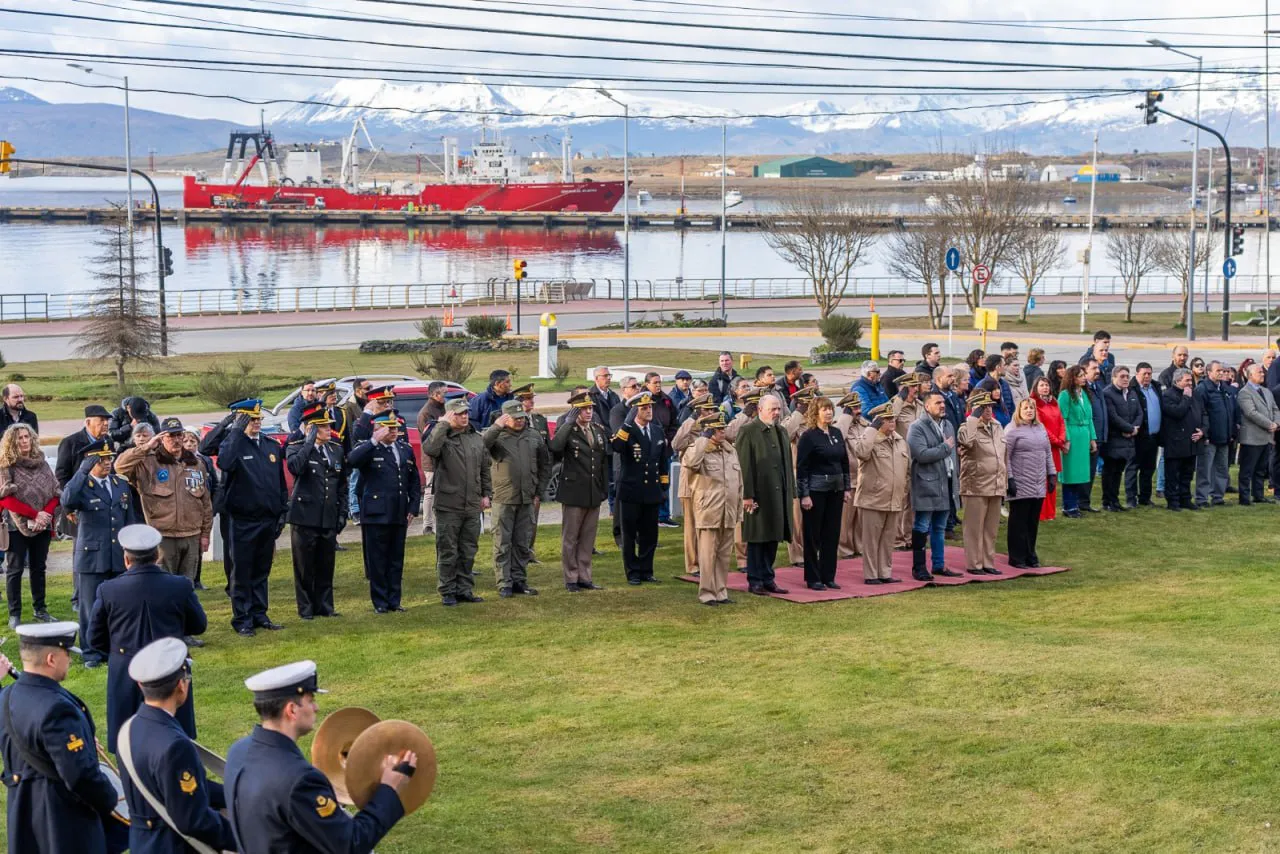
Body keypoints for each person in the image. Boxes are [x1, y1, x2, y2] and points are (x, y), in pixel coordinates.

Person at [224, 661, 415, 853]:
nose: (316, 707)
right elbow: (351, 844)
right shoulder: (300, 780)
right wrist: (389, 789)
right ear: (292, 710)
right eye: (310, 699)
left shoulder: (238, 752)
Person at [0, 622, 120, 854]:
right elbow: (80, 776)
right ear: (51, 659)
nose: (71, 660)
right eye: (67, 653)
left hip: (24, 816)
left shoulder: (6, 698)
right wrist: (110, 798)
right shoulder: (57, 709)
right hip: (62, 823)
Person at [88, 523, 207, 755]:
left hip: (125, 671)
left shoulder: (109, 590)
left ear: (126, 558)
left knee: (128, 743)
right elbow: (199, 625)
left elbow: (95, 638)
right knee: (175, 739)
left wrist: (119, 650)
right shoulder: (179, 586)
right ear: (158, 554)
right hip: (169, 669)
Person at [117, 637, 236, 854]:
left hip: (144, 844)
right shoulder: (175, 746)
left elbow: (178, 788)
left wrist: (236, 794)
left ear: (140, 684)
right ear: (181, 685)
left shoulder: (131, 727)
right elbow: (193, 820)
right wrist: (240, 837)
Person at [60, 440, 136, 669]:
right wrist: (83, 470)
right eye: (101, 459)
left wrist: (131, 550)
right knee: (90, 606)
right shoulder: (82, 485)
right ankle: (91, 651)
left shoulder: (119, 484)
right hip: (92, 555)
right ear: (91, 461)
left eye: (109, 458)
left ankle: (115, 647)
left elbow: (129, 518)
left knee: (118, 605)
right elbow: (67, 500)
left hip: (117, 554)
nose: (107, 463)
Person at [216, 399, 288, 637]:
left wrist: (281, 511)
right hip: (243, 520)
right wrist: (236, 430)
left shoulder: (270, 446)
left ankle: (259, 613)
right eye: (250, 420)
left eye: (258, 419)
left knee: (261, 569)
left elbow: (279, 482)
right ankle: (242, 618)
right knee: (242, 571)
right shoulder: (234, 445)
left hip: (267, 519)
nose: (256, 423)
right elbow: (224, 462)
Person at [114, 417, 214, 584]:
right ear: (161, 438)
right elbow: (120, 466)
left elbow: (205, 502)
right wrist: (146, 447)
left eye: (178, 435)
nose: (176, 440)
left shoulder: (196, 463)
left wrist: (205, 534)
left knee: (186, 586)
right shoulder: (149, 462)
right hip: (162, 537)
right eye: (170, 436)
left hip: (191, 535)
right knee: (161, 585)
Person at [349, 412, 420, 613]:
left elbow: (413, 479)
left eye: (396, 427)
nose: (394, 431)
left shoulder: (404, 449)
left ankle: (394, 600)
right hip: (376, 513)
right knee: (378, 559)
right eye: (389, 428)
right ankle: (380, 601)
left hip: (398, 511)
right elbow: (352, 461)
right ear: (378, 429)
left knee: (396, 559)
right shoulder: (369, 448)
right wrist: (373, 441)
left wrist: (413, 506)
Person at [425, 398, 491, 606]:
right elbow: (430, 449)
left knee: (468, 550)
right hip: (449, 504)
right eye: (459, 413)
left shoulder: (475, 437)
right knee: (448, 550)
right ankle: (447, 590)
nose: (464, 416)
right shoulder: (442, 437)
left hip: (472, 504)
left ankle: (464, 589)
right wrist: (443, 424)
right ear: (449, 415)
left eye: (466, 413)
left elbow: (484, 468)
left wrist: (486, 494)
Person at [285, 403, 347, 620]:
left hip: (327, 515)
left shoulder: (335, 450)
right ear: (311, 428)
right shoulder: (297, 447)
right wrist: (309, 441)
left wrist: (342, 512)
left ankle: (325, 606)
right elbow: (296, 468)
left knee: (326, 564)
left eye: (329, 425)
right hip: (305, 516)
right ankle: (306, 608)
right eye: (322, 426)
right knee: (304, 566)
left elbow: (341, 485)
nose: (329, 429)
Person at [484, 400, 550, 598]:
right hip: (504, 497)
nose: (520, 421)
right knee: (502, 542)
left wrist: (539, 490)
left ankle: (519, 580)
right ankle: (504, 583)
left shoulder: (533, 436)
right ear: (505, 418)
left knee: (522, 542)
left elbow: (545, 464)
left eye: (522, 417)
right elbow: (481, 445)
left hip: (527, 497)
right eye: (515, 418)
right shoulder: (497, 436)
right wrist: (497, 426)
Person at [0, 423, 59, 629]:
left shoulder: (42, 463)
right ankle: (14, 613)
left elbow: (55, 492)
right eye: (19, 438)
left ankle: (40, 609)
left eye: (26, 437)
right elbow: (5, 499)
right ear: (11, 442)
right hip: (16, 525)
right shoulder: (6, 465)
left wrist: (46, 514)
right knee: (15, 569)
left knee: (39, 567)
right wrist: (34, 513)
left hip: (42, 524)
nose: (24, 441)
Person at [551, 391, 608, 592]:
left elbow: (603, 461)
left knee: (587, 537)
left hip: (593, 490)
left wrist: (604, 488)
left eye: (590, 408)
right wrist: (568, 423)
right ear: (575, 411)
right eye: (583, 409)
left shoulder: (597, 430)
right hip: (574, 491)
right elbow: (556, 447)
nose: (588, 412)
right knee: (571, 537)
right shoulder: (568, 430)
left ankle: (585, 576)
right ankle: (571, 577)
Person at [736, 395, 793, 596]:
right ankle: (755, 580)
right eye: (772, 409)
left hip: (778, 493)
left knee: (773, 537)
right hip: (759, 494)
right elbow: (745, 466)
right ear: (760, 409)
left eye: (778, 408)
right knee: (757, 538)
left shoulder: (781, 431)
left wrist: (790, 491)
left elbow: (787, 464)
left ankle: (768, 578)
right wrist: (748, 495)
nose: (776, 413)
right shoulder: (748, 431)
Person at [683, 412, 742, 606]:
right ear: (709, 431)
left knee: (724, 556)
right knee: (708, 555)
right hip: (709, 510)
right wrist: (702, 439)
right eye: (718, 429)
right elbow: (691, 464)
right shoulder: (699, 449)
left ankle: (721, 591)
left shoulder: (730, 450)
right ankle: (707, 592)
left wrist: (738, 509)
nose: (723, 431)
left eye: (723, 428)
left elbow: (738, 482)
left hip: (729, 510)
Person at [612, 392, 670, 585]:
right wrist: (626, 424)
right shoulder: (627, 431)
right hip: (631, 490)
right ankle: (633, 571)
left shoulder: (656, 431)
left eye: (650, 407)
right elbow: (617, 447)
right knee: (629, 535)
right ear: (635, 410)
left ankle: (647, 570)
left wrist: (664, 485)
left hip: (651, 491)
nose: (649, 410)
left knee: (649, 534)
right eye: (644, 408)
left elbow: (662, 461)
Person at [794, 397, 850, 591]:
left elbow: (844, 462)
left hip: (835, 490)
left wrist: (846, 488)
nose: (828, 412)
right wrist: (804, 494)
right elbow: (802, 467)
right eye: (824, 409)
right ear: (815, 412)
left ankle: (828, 575)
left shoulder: (836, 433)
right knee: (813, 535)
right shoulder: (809, 436)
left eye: (830, 409)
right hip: (816, 491)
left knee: (832, 534)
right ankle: (813, 577)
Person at [907, 390, 961, 582]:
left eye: (943, 402)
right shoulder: (917, 427)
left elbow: (953, 457)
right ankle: (919, 567)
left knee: (940, 527)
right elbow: (920, 454)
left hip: (945, 482)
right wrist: (945, 448)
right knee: (922, 525)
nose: (942, 405)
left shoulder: (947, 425)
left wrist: (955, 479)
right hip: (926, 483)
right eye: (938, 402)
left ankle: (938, 564)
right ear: (927, 406)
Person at [853, 403, 909, 585]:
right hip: (873, 498)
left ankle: (885, 572)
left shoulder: (900, 440)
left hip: (894, 498)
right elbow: (861, 453)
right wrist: (871, 429)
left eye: (892, 418)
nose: (891, 422)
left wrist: (903, 490)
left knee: (888, 539)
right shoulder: (869, 439)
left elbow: (906, 470)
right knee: (871, 540)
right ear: (877, 422)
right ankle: (871, 574)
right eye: (886, 419)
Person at [957, 390, 1007, 575]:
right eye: (983, 407)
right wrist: (973, 419)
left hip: (995, 483)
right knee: (974, 528)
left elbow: (1003, 455)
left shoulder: (997, 425)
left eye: (990, 406)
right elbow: (967, 442)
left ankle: (988, 561)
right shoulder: (966, 427)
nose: (988, 410)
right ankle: (974, 563)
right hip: (975, 485)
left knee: (991, 528)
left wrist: (1006, 480)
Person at [1004, 397, 1055, 568]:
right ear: (1019, 410)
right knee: (1018, 522)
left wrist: (1052, 474)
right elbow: (1006, 457)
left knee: (1032, 523)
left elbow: (1047, 453)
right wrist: (1009, 478)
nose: (1029, 411)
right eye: (1025, 408)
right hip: (1020, 482)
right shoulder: (1012, 430)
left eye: (1031, 408)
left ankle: (1030, 554)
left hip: (1037, 482)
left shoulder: (1040, 428)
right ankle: (1016, 556)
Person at [54, 403, 113, 543]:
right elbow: (61, 476)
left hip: (102, 502)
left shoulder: (108, 441)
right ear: (88, 422)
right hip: (79, 502)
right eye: (101, 420)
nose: (106, 424)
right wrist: (68, 505)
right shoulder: (70, 443)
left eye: (107, 421)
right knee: (82, 547)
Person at [673, 393, 715, 577]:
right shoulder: (690, 431)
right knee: (691, 527)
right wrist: (691, 420)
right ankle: (693, 564)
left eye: (711, 409)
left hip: (707, 486)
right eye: (706, 410)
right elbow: (676, 443)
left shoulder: (712, 431)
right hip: (690, 486)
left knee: (706, 525)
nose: (711, 412)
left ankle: (706, 560)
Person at [1160, 368, 1207, 512]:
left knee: (1187, 473)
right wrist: (1186, 397)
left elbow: (1204, 414)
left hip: (1193, 441)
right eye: (1186, 380)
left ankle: (1185, 499)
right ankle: (1173, 501)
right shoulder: (1168, 395)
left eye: (1190, 380)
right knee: (1173, 474)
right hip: (1175, 442)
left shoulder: (1196, 395)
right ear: (1177, 381)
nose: (1190, 383)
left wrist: (1203, 431)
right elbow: (1177, 412)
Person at [1056, 365, 1097, 519]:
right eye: (1080, 375)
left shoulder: (1084, 394)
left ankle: (1075, 504)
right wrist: (1066, 439)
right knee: (1070, 473)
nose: (1084, 378)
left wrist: (1092, 438)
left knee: (1080, 473)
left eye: (1084, 375)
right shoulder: (1065, 395)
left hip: (1084, 435)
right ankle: (1069, 505)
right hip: (1072, 434)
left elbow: (1089, 418)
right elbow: (1063, 419)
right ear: (1072, 378)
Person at [1235, 363, 1279, 505]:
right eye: (1259, 372)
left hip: (1266, 437)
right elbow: (1251, 413)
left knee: (1260, 469)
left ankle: (1258, 495)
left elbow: (1275, 409)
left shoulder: (1266, 391)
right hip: (1251, 438)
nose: (1263, 374)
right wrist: (1270, 424)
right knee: (1247, 470)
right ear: (1250, 375)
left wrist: (1277, 423)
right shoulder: (1244, 393)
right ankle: (1244, 498)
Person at [515, 385, 550, 558]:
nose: (532, 402)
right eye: (528, 399)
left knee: (533, 517)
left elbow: (547, 450)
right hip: (518, 477)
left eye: (531, 398)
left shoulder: (539, 420)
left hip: (536, 476)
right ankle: (519, 552)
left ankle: (529, 550)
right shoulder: (512, 422)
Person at [1100, 366, 1142, 512]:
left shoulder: (1131, 392)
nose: (1126, 379)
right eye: (1122, 376)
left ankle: (1115, 500)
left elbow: (1139, 413)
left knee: (1118, 471)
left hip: (1127, 440)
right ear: (1114, 378)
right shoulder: (1108, 394)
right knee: (1110, 471)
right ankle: (1108, 501)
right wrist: (1129, 429)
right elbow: (1113, 417)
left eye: (1127, 376)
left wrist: (1135, 428)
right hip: (1114, 440)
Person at [1194, 361, 1232, 508]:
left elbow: (1229, 411)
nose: (1221, 373)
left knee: (1222, 469)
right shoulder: (1202, 389)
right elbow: (1199, 413)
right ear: (1209, 372)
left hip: (1224, 437)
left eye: (1223, 371)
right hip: (1209, 438)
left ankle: (1218, 497)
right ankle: (1201, 498)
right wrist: (1205, 434)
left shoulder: (1224, 388)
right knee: (1205, 470)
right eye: (1218, 371)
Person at [833, 391, 866, 559]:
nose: (858, 411)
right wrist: (846, 418)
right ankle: (844, 548)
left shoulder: (863, 424)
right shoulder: (841, 425)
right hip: (849, 479)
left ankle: (859, 546)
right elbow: (837, 438)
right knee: (845, 519)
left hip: (863, 478)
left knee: (859, 519)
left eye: (859, 406)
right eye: (854, 408)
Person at [415, 382, 448, 535]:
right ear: (434, 394)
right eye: (444, 394)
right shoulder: (426, 413)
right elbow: (428, 437)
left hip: (445, 456)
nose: (446, 397)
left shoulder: (444, 408)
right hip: (431, 458)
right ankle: (427, 525)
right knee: (430, 492)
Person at [1032, 376, 1066, 522]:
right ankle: (1042, 513)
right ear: (1035, 387)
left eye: (1047, 385)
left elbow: (1061, 421)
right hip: (1043, 447)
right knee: (1043, 482)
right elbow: (1041, 427)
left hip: (1055, 448)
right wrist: (1057, 440)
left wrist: (1061, 438)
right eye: (1042, 385)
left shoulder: (1054, 402)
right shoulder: (1034, 404)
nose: (1045, 388)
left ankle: (1051, 513)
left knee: (1053, 480)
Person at [1132, 362, 1163, 507]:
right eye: (1144, 374)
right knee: (1134, 468)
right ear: (1137, 374)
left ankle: (1145, 498)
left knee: (1149, 469)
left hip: (1154, 436)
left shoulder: (1155, 387)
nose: (1147, 377)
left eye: (1149, 374)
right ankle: (1131, 498)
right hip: (1139, 436)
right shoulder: (1132, 389)